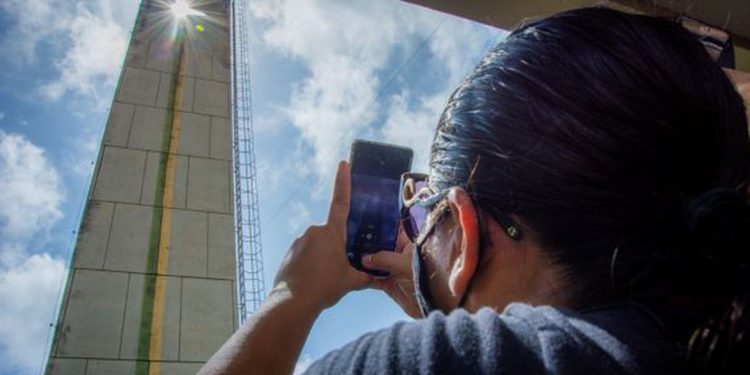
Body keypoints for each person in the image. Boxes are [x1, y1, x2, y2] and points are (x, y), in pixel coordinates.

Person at [199, 6, 750, 374]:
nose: (414, 239)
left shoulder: (447, 361)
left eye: (422, 219)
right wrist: (448, 291)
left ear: (462, 229)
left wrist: (292, 296)